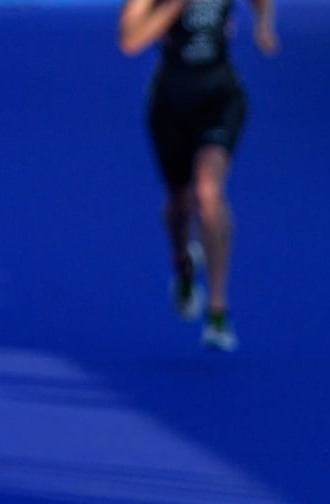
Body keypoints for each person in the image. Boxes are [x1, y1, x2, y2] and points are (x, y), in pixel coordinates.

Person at [117, 0, 278, 351]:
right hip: (171, 106)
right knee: (179, 203)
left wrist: (264, 25)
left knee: (207, 192)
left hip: (220, 98)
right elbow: (129, 41)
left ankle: (218, 311)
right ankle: (183, 266)